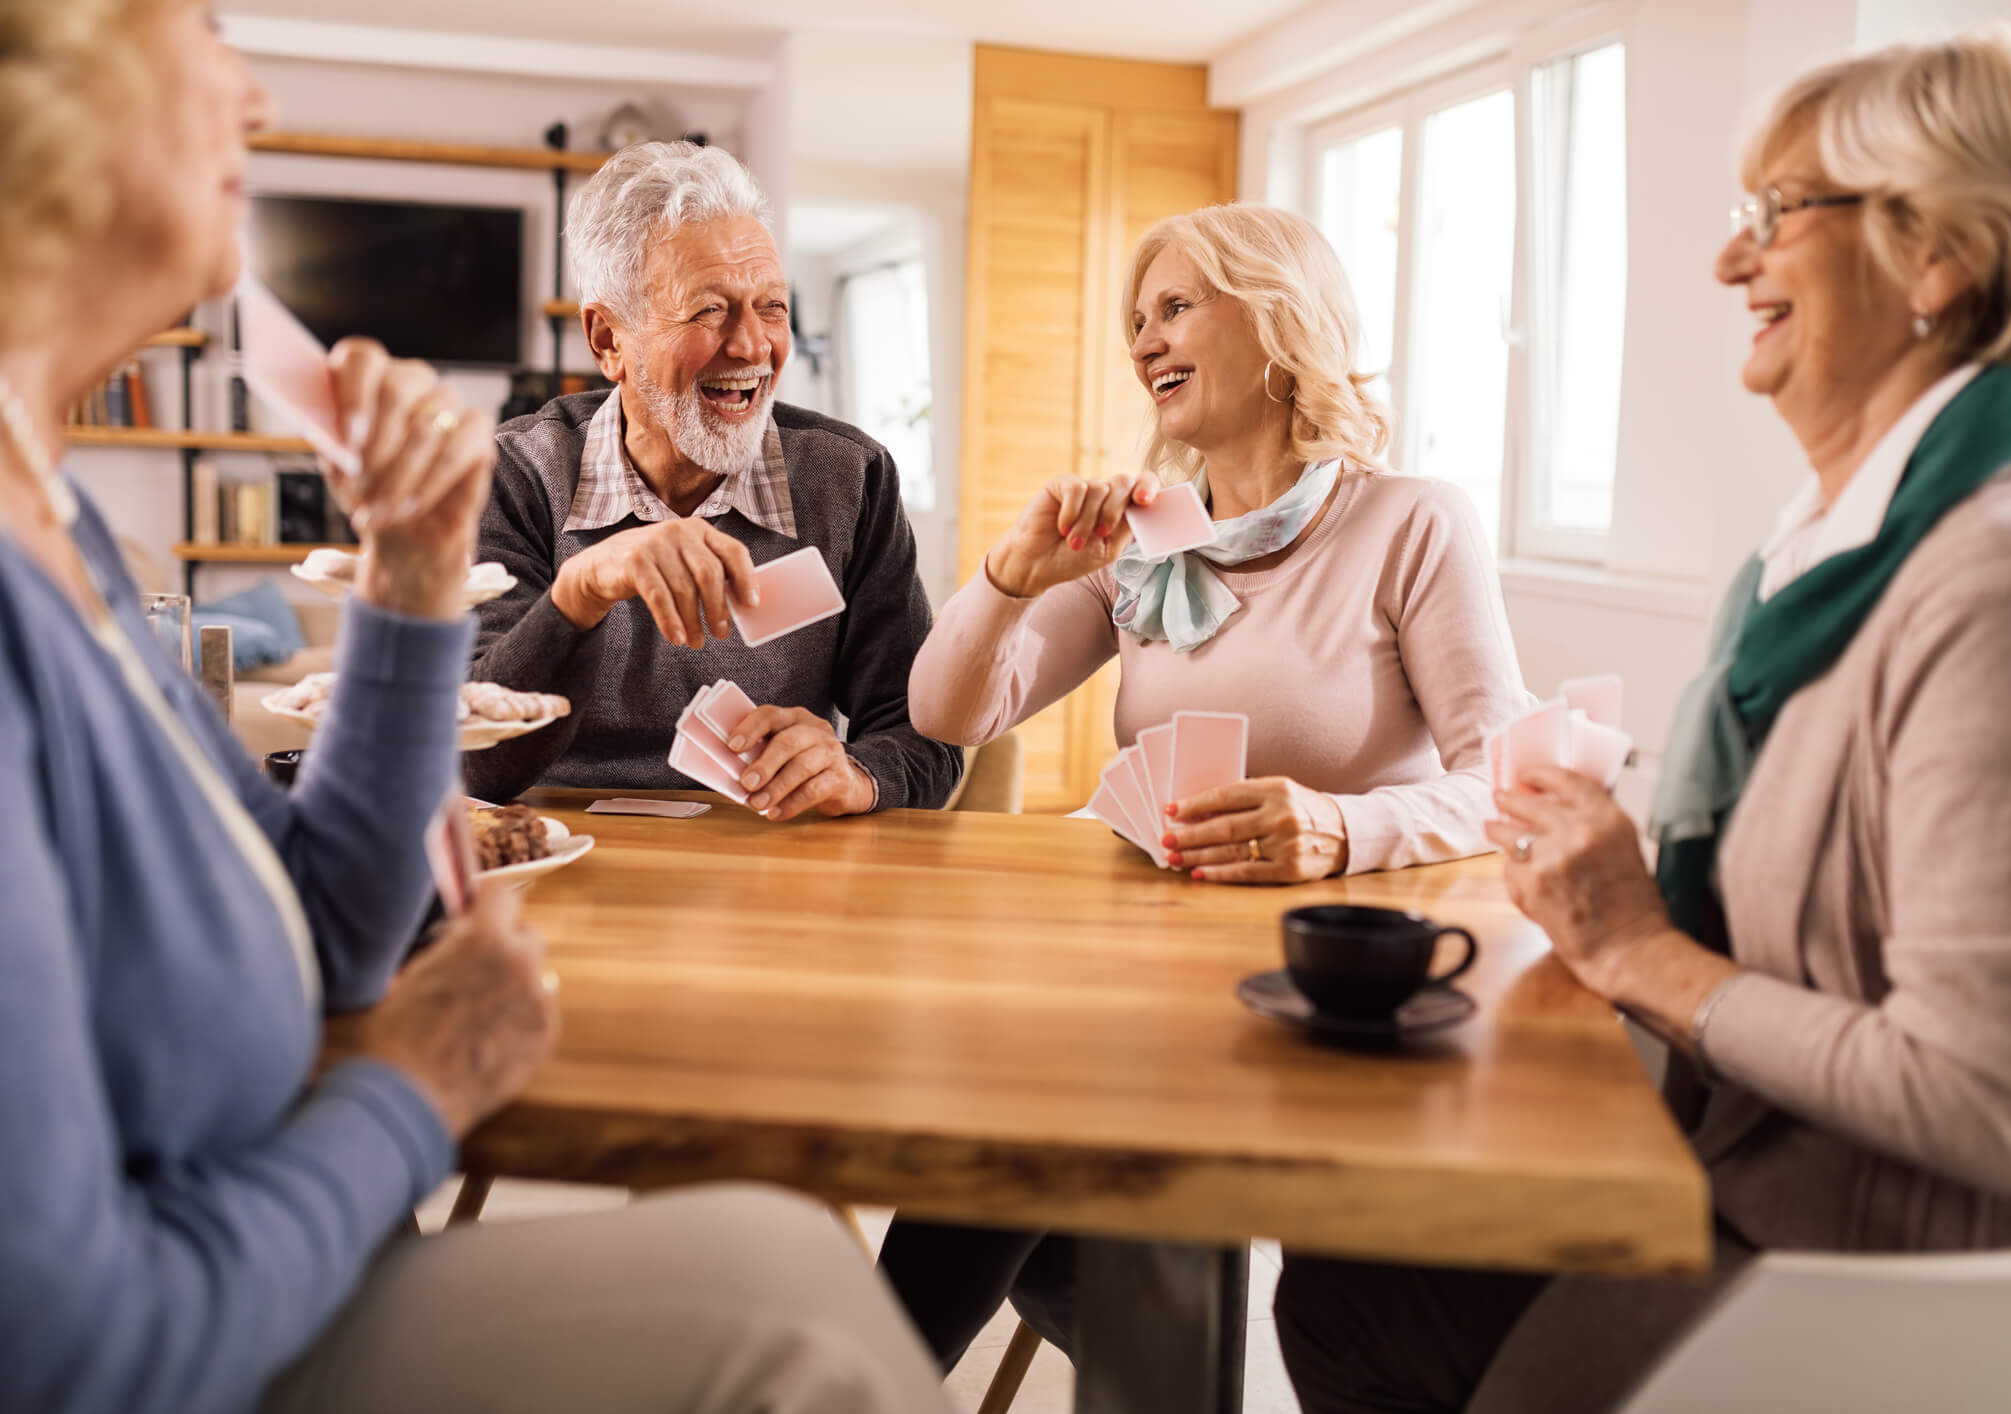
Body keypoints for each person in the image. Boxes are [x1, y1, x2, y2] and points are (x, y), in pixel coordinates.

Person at [0, 6, 952, 1412]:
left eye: (773, 308)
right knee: (788, 1289)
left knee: (787, 1243)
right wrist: (411, 1089)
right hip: (232, 1286)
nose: (255, 99)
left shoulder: (65, 519)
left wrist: (406, 578)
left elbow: (319, 903)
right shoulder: (523, 465)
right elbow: (71, 1337)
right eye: (194, 30)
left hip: (701, 960)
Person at [1273, 25, 2011, 1413]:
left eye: (1781, 214)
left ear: (1937, 252)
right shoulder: (1832, 562)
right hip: (1767, 1181)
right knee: (1349, 1276)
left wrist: (1637, 945)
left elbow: (1992, 1103)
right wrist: (1615, 880)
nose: (1732, 260)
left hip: (1900, 1277)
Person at [884, 204, 1528, 1371]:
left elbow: (1507, 783)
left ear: (1279, 321)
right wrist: (1009, 577)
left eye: (1177, 306)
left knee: (1025, 1139)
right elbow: (947, 711)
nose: (1145, 340)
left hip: (1321, 986)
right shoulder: (1147, 539)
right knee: (995, 1119)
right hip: (1139, 981)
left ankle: (1133, 1343)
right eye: (1137, 320)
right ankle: (910, 1374)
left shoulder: (1410, 523)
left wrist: (1337, 827)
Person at [466, 141, 960, 817]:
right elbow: (474, 763)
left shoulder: (851, 477)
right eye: (708, 311)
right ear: (608, 339)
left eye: (771, 307)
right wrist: (576, 595)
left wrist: (858, 771)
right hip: (560, 864)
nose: (753, 346)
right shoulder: (517, 475)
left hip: (767, 863)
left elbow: (926, 734)